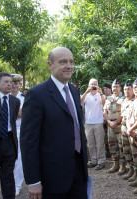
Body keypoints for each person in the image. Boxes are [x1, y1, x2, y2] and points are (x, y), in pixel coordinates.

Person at [20, 47, 88, 199]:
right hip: (52, 179)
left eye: (71, 61)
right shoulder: (37, 94)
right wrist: (33, 180)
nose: (69, 66)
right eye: (63, 62)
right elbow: (28, 141)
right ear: (50, 65)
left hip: (79, 173)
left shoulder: (74, 92)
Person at [80, 78, 106, 170]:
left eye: (95, 84)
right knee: (90, 144)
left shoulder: (100, 95)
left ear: (97, 85)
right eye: (92, 84)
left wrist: (101, 92)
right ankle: (93, 161)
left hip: (98, 122)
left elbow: (104, 104)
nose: (93, 86)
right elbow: (80, 102)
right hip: (88, 123)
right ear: (89, 85)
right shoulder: (86, 95)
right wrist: (86, 92)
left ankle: (101, 161)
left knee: (100, 143)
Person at [103, 79, 125, 174]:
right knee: (112, 145)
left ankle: (122, 166)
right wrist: (108, 121)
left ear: (120, 87)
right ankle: (115, 164)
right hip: (110, 126)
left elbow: (124, 113)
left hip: (119, 126)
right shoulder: (108, 98)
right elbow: (105, 111)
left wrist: (116, 122)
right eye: (113, 87)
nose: (115, 88)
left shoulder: (123, 98)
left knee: (121, 146)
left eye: (117, 86)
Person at [10, 74, 25, 196]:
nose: (14, 85)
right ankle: (9, 183)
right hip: (6, 132)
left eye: (17, 83)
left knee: (19, 159)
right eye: (12, 83)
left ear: (20, 84)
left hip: (20, 131)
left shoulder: (25, 98)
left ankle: (17, 184)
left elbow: (24, 114)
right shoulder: (4, 97)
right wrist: (18, 112)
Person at [120, 80, 135, 180]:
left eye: (128, 89)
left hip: (132, 130)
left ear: (133, 90)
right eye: (125, 89)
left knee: (134, 152)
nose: (126, 91)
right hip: (123, 128)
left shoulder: (136, 101)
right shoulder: (123, 101)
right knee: (126, 151)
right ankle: (131, 170)